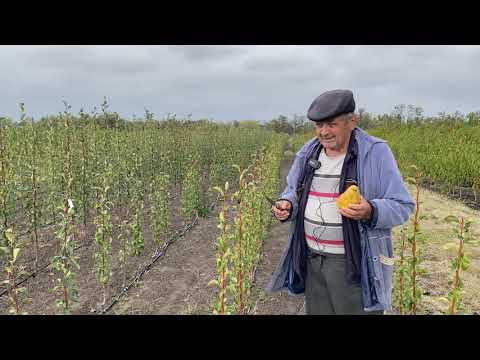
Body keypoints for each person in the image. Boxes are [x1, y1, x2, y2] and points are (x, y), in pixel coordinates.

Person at [267, 89, 415, 314]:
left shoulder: (375, 153)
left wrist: (371, 211)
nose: (323, 132)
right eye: (318, 125)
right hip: (313, 261)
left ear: (352, 121)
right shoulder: (309, 152)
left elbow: (403, 205)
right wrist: (286, 204)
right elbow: (292, 191)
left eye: (331, 124)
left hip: (354, 265)